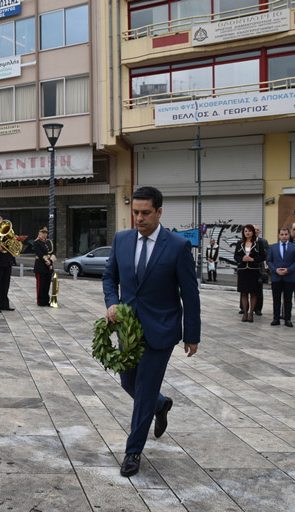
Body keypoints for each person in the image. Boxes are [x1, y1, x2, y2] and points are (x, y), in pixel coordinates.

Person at [102, 186, 200, 478]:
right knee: (128, 382)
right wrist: (112, 304)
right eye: (135, 212)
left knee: (143, 390)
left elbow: (190, 294)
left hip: (162, 330)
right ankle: (162, 404)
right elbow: (110, 277)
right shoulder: (121, 240)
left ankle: (133, 452)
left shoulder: (178, 246)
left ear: (159, 212)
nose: (139, 218)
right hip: (128, 329)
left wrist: (192, 335)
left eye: (146, 213)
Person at [267, 227, 295, 327]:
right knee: (276, 299)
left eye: (286, 234)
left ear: (289, 235)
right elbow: (269, 260)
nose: (284, 236)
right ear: (278, 235)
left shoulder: (294, 247)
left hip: (289, 277)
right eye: (282, 234)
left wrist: (288, 270)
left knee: (288, 299)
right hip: (276, 277)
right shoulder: (273, 247)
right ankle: (276, 318)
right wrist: (275, 270)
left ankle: (288, 319)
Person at [234, 224, 264, 323]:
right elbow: (236, 256)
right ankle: (245, 313)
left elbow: (262, 256)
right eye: (246, 231)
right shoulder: (240, 243)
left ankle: (251, 313)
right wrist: (242, 259)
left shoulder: (258, 243)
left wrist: (253, 259)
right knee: (244, 293)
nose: (248, 233)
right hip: (243, 270)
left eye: (249, 231)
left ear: (253, 232)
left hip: (253, 270)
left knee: (254, 293)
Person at [0, 211, 15, 313]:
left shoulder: (8, 231)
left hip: (7, 261)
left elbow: (12, 243)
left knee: (5, 285)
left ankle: (4, 304)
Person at [33, 227, 55, 306]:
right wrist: (46, 261)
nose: (45, 234)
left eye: (46, 233)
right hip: (40, 266)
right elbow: (39, 253)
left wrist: (51, 262)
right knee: (40, 285)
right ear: (39, 233)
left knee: (47, 285)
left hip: (48, 267)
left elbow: (53, 253)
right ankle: (40, 301)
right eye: (43, 233)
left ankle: (46, 300)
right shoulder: (37, 242)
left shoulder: (49, 242)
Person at [254, 225, 269, 316]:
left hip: (259, 268)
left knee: (259, 290)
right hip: (249, 268)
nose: (256, 231)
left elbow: (267, 254)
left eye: (257, 230)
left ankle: (258, 308)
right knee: (246, 289)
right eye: (254, 230)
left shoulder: (263, 242)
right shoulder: (246, 241)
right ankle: (244, 308)